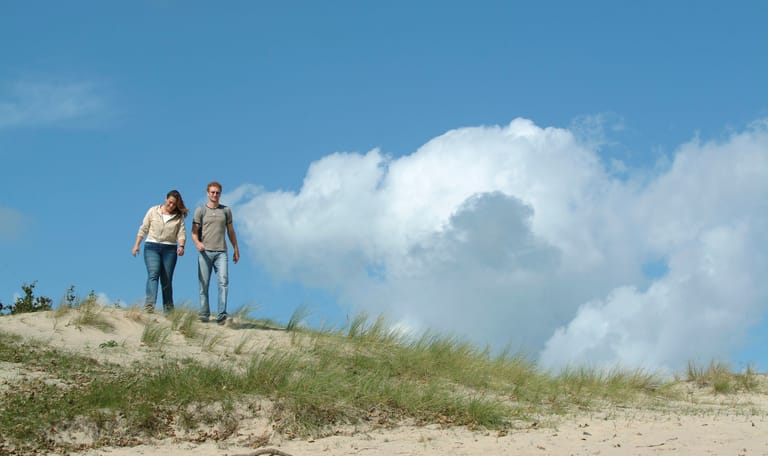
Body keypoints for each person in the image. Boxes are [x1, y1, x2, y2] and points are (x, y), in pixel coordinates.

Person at [191, 181, 240, 324]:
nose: (214, 195)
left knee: (223, 282)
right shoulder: (201, 210)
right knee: (203, 283)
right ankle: (204, 313)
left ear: (220, 194)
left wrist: (236, 248)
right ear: (207, 193)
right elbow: (194, 232)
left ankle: (222, 314)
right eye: (212, 192)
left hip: (221, 252)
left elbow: (231, 231)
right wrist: (198, 243)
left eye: (217, 192)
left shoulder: (226, 211)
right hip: (205, 252)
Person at [132, 189, 188, 314]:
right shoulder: (153, 211)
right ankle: (149, 305)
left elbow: (182, 233)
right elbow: (143, 228)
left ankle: (168, 310)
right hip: (152, 246)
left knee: (166, 279)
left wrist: (182, 246)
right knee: (153, 273)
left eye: (174, 204)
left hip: (170, 249)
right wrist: (136, 245)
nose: (171, 205)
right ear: (166, 199)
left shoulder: (178, 217)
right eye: (170, 202)